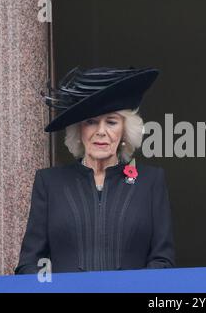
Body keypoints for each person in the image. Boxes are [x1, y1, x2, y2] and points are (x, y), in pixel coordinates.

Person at [15, 67, 175, 273]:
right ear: (78, 129)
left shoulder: (150, 181)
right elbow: (29, 265)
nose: (101, 132)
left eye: (111, 122)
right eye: (91, 122)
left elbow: (163, 261)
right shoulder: (50, 183)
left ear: (125, 130)